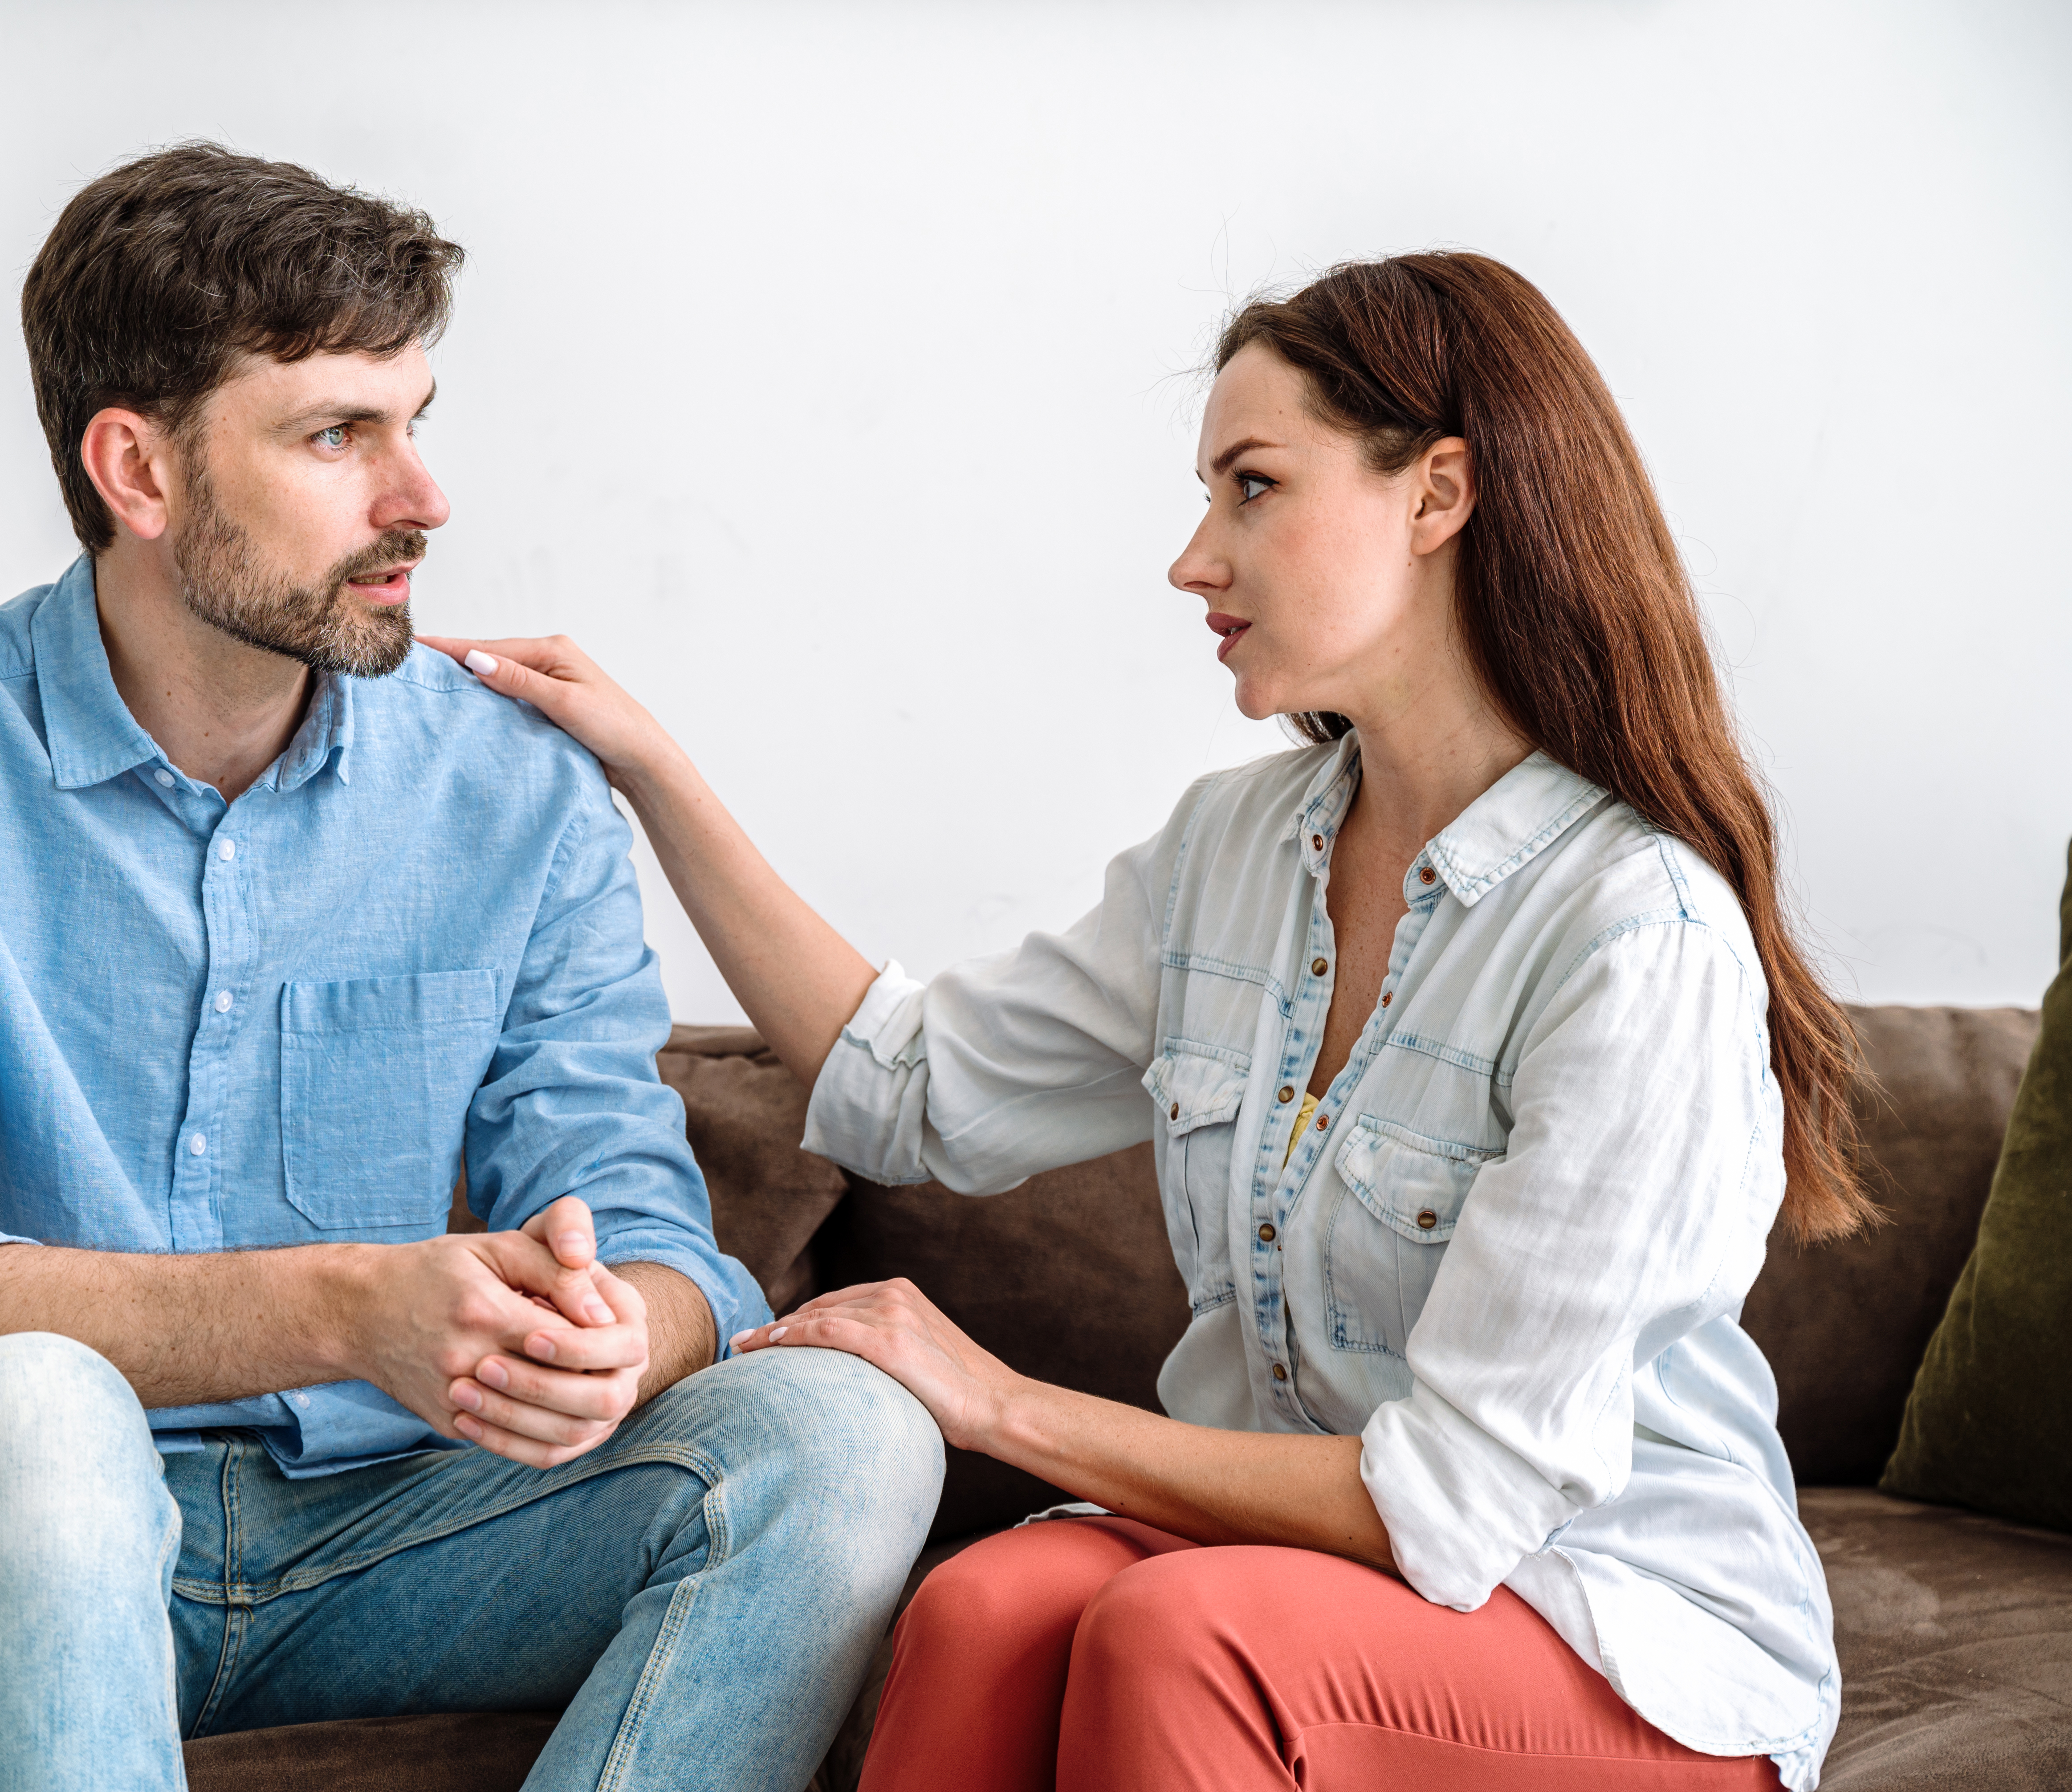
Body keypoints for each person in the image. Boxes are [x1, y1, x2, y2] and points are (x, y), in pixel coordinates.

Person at [425, 250, 1858, 1791]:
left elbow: (1446, 1504)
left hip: (1620, 1634)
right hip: (1300, 1579)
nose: (1194, 558)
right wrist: (651, 770)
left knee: (1182, 1634)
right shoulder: (1236, 853)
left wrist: (997, 1403)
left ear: (1438, 495)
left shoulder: (1636, 938)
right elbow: (907, 1086)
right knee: (985, 1612)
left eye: (1254, 488)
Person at [0, 143, 943, 1792]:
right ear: (138, 469)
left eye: (415, 421)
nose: (421, 497)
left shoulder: (513, 785)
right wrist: (349, 1311)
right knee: (38, 1410)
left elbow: (651, 1237)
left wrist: (616, 1337)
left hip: (384, 1538)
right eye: (336, 435)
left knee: (846, 1436)